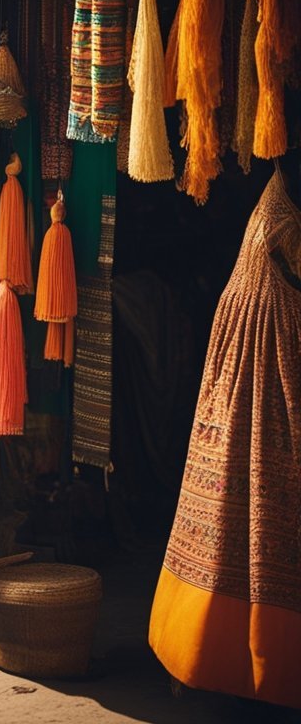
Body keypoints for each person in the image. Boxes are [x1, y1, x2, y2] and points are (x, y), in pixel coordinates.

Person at [148, 170, 301, 708]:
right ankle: (238, 663)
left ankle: (201, 655)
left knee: (230, 498)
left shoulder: (277, 197)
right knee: (261, 490)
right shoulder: (288, 199)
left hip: (252, 339)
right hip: (268, 349)